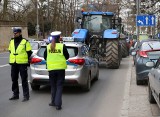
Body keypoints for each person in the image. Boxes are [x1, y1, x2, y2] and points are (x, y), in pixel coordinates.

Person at [44, 31, 69, 110]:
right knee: (59, 86)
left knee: (53, 86)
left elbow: (45, 57)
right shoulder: (62, 46)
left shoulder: (48, 46)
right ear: (59, 37)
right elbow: (67, 56)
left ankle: (53, 102)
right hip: (60, 69)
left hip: (51, 69)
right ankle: (58, 104)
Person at [8, 27, 32, 102]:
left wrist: (25, 59)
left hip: (22, 63)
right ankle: (15, 94)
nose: (15, 34)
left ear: (20, 33)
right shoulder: (11, 41)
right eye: (14, 33)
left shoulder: (25, 42)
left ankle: (26, 96)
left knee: (24, 80)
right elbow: (10, 51)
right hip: (14, 63)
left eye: (16, 33)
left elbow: (29, 52)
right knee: (14, 79)